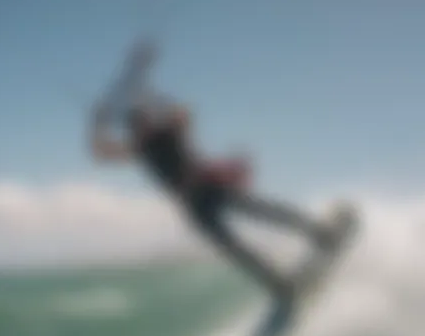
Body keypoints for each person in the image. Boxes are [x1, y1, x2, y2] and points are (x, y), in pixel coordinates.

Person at [89, 99, 348, 306]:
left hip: (212, 186)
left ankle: (321, 233)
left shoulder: (168, 130)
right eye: (138, 125)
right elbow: (102, 154)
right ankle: (280, 285)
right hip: (194, 206)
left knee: (265, 211)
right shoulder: (140, 148)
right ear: (134, 129)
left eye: (144, 121)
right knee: (234, 248)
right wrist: (97, 123)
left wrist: (159, 104)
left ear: (149, 120)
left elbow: (185, 113)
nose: (142, 127)